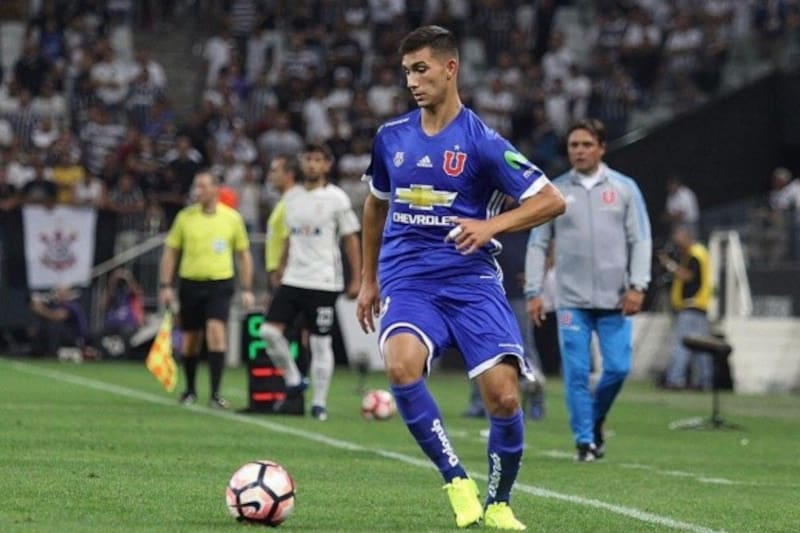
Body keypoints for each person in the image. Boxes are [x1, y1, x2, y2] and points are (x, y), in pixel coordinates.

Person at [356, 26, 565, 530]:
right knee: (401, 366)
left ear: (450, 69)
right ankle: (455, 479)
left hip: (472, 283)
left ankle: (498, 503)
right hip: (409, 278)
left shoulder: (483, 143)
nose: (412, 81)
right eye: (407, 72)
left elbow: (551, 200)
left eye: (421, 69)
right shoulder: (391, 137)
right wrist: (368, 279)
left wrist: (491, 225)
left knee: (505, 397)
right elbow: (375, 206)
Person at [525, 118, 652, 462]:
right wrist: (534, 291)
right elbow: (538, 243)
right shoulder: (554, 191)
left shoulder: (624, 188)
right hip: (571, 300)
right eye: (573, 145)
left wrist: (638, 285)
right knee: (577, 374)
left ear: (601, 148)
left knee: (618, 369)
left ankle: (594, 421)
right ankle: (585, 441)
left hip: (616, 298)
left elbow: (640, 239)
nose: (579, 151)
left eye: (586, 145)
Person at [259, 143, 362, 421]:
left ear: (327, 165)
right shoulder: (291, 198)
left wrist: (357, 278)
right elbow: (289, 237)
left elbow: (351, 239)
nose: (312, 164)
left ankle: (319, 403)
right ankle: (294, 379)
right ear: (301, 163)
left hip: (324, 281)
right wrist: (280, 267)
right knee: (268, 332)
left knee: (319, 343)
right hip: (294, 278)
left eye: (318, 160)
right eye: (308, 159)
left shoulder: (337, 198)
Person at [158, 172, 254, 409]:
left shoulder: (231, 218)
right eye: (196, 186)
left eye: (202, 186)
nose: (197, 191)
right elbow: (171, 251)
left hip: (220, 283)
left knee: (216, 332)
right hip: (190, 283)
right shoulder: (185, 217)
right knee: (191, 339)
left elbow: (243, 254)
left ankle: (216, 393)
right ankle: (190, 389)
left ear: (215, 189)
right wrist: (166, 285)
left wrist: (247, 287)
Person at [658, 227, 713, 390]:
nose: (676, 242)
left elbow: (688, 276)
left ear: (687, 237)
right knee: (701, 348)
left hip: (691, 307)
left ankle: (675, 379)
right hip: (698, 308)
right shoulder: (694, 253)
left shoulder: (695, 254)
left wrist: (669, 264)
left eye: (679, 238)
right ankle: (704, 381)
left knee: (682, 344)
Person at [264, 154, 300, 290]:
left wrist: (281, 268)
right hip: (279, 271)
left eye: (274, 171)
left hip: (285, 273)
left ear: (289, 174)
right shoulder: (285, 201)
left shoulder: (293, 202)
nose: (270, 176)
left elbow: (290, 237)